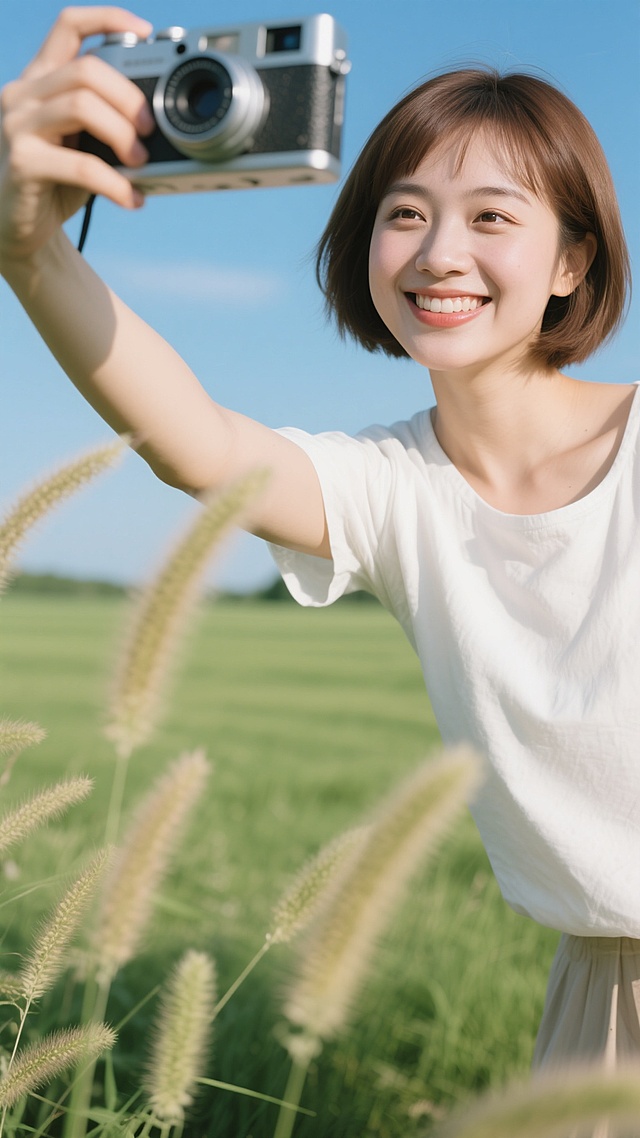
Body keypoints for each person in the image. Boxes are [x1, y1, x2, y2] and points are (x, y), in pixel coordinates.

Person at [1, 6, 638, 1077]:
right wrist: (26, 250)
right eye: (404, 213)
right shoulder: (394, 489)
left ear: (572, 260)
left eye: (492, 217)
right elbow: (198, 447)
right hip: (602, 992)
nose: (441, 253)